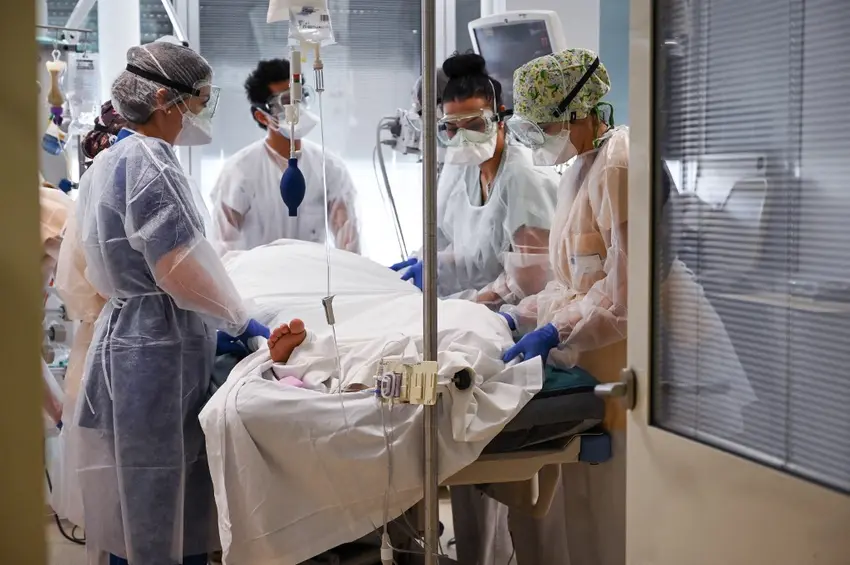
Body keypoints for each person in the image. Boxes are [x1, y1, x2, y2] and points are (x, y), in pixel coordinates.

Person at [68, 41, 294, 565]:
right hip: (155, 353)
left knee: (135, 506)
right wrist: (240, 320)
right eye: (201, 101)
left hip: (127, 340)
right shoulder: (151, 162)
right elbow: (177, 270)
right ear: (164, 99)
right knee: (161, 503)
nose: (202, 113)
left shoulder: (111, 159)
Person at [497, 48, 627, 565]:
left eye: (545, 126)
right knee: (584, 511)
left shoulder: (619, 165)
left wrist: (556, 332)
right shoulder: (580, 168)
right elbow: (571, 280)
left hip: (628, 348)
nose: (539, 140)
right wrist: (521, 314)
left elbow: (624, 292)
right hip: (597, 347)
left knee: (617, 510)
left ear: (580, 110)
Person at [391, 53, 559, 312]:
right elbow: (471, 251)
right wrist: (433, 265)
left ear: (500, 117)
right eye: (452, 128)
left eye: (475, 125)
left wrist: (468, 307)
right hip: (482, 312)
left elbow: (531, 282)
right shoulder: (468, 171)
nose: (464, 137)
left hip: (520, 319)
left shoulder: (525, 178)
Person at [209, 58, 360, 254]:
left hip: (312, 271)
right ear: (261, 116)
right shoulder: (239, 171)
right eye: (286, 102)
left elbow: (349, 242)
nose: (296, 108)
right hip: (258, 272)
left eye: (300, 98)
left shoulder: (329, 168)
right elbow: (223, 247)